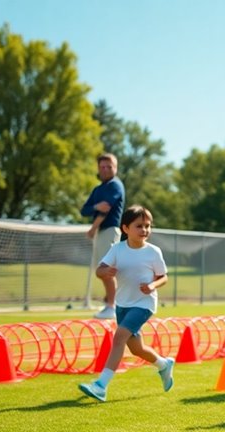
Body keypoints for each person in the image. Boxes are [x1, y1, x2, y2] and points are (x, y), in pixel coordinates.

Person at [79, 205, 174, 402]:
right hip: (123, 304)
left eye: (148, 226)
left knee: (119, 337)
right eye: (139, 226)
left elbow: (163, 277)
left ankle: (101, 386)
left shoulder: (153, 252)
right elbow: (99, 270)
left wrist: (152, 285)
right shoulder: (117, 249)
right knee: (136, 348)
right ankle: (164, 365)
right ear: (125, 229)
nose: (145, 230)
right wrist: (105, 272)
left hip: (144, 304)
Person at [80, 152, 125, 320]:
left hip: (110, 230)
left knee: (106, 270)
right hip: (101, 232)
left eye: (109, 166)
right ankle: (112, 303)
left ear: (116, 168)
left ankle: (112, 306)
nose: (105, 169)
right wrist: (96, 206)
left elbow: (105, 211)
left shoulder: (115, 185)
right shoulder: (98, 189)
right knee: (102, 270)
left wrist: (93, 228)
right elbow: (84, 210)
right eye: (102, 167)